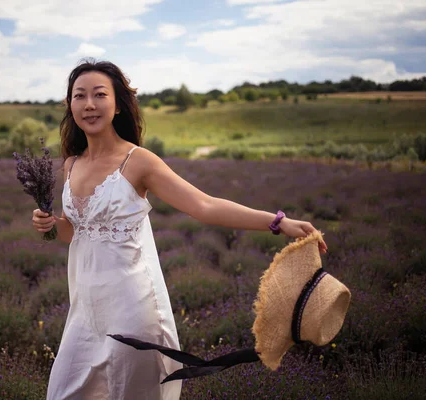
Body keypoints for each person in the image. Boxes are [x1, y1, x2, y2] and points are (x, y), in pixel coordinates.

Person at [32, 59, 328, 400]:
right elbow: (78, 234)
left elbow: (204, 206)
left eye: (99, 95)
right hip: (84, 311)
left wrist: (277, 222)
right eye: (79, 96)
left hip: (131, 308)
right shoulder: (71, 165)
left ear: (117, 106)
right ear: (70, 105)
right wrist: (50, 228)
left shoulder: (138, 161)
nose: (89, 104)